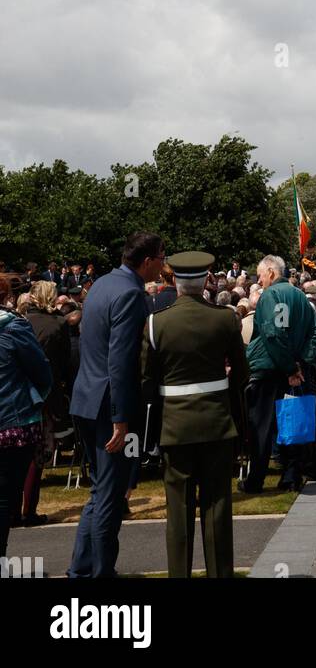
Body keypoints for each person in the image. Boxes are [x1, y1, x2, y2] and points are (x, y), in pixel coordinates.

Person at [142, 252, 248, 578]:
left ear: (173, 280)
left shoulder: (156, 322)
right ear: (205, 281)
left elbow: (147, 382)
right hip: (216, 424)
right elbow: (242, 375)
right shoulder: (225, 319)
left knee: (179, 512)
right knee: (217, 507)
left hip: (175, 428)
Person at [67, 231, 165, 578]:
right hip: (108, 405)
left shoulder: (104, 285)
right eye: (162, 259)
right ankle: (99, 572)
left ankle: (82, 568)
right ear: (148, 260)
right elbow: (121, 361)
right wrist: (121, 419)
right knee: (110, 497)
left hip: (87, 398)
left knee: (100, 492)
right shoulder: (129, 293)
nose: (164, 266)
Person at [240, 255, 316, 494]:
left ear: (271, 273)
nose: (260, 280)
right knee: (293, 423)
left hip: (269, 370)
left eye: (261, 275)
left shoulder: (271, 296)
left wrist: (290, 367)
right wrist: (300, 361)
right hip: (292, 369)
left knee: (262, 428)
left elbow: (275, 333)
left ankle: (256, 479)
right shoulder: (301, 297)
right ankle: (291, 476)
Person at [0, 273, 53, 557]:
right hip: (13, 423)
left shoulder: (14, 328)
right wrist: (35, 399)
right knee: (5, 501)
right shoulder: (14, 328)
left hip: (12, 420)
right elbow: (42, 373)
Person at [19, 280, 72, 525]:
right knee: (35, 457)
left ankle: (15, 509)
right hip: (44, 395)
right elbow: (64, 362)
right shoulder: (57, 324)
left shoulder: (20, 323)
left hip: (17, 393)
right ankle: (28, 510)